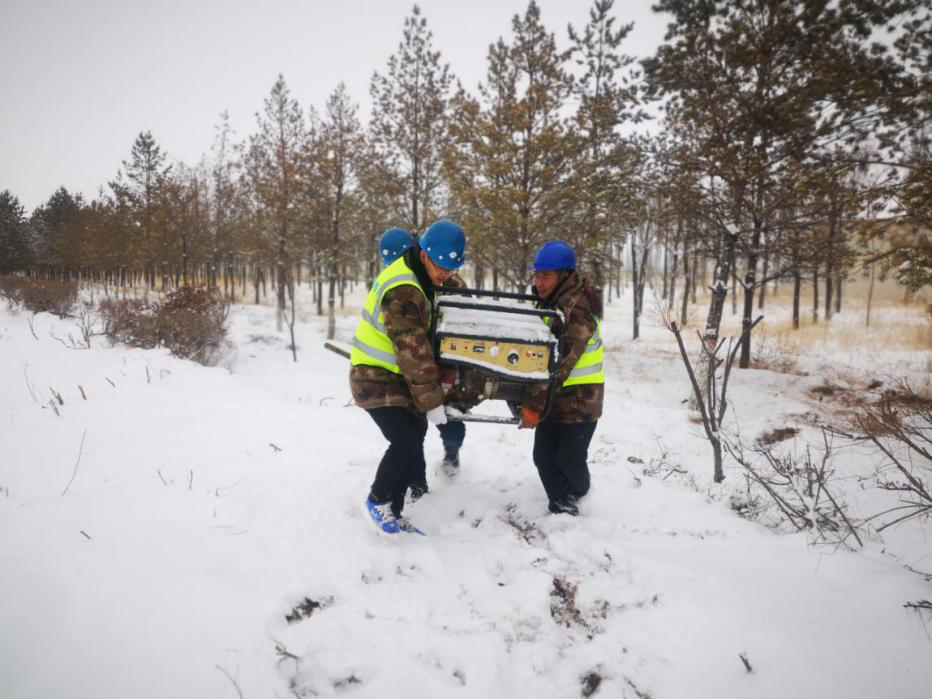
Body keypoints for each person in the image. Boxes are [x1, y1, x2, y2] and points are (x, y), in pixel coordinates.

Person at [350, 220, 467, 533]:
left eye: (451, 268)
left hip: (393, 375)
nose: (445, 274)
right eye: (441, 266)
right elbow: (412, 351)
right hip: (374, 376)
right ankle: (378, 499)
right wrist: (432, 402)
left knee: (413, 436)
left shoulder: (420, 275)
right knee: (405, 439)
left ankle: (394, 512)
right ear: (425, 254)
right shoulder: (404, 288)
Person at [519, 241, 604, 516]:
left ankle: (580, 493)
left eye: (546, 276)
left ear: (564, 276)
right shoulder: (550, 303)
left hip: (581, 399)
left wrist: (533, 405)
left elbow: (560, 363)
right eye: (537, 275)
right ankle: (561, 506)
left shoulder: (577, 310)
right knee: (543, 458)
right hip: (554, 396)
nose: (539, 282)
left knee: (569, 460)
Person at [376, 227, 467, 480]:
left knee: (450, 419)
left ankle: (451, 453)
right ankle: (417, 483)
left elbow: (463, 323)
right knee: (414, 431)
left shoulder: (450, 283)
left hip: (443, 361)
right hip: (414, 367)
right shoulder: (399, 283)